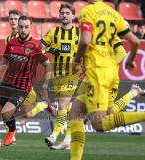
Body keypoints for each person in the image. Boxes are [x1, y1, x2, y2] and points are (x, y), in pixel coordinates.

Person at [71, 1, 145, 160]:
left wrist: (77, 61)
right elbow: (135, 41)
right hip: (109, 72)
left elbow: (85, 41)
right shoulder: (113, 14)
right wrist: (131, 60)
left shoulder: (88, 11)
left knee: (99, 124)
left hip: (97, 73)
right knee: (76, 112)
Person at [0, 16, 51, 146]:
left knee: (5, 113)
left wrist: (44, 86)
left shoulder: (35, 46)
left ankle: (12, 131)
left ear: (31, 28)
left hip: (22, 87)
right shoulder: (11, 43)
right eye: (21, 27)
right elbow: (4, 63)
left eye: (26, 27)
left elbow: (48, 65)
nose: (23, 30)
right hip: (6, 83)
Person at [40, 3, 81, 148]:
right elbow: (41, 47)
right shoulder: (54, 32)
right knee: (65, 107)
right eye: (62, 13)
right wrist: (51, 49)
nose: (64, 15)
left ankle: (54, 135)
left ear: (73, 16)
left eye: (67, 13)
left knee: (63, 104)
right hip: (57, 75)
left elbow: (86, 49)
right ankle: (69, 139)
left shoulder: (79, 33)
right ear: (59, 15)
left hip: (72, 73)